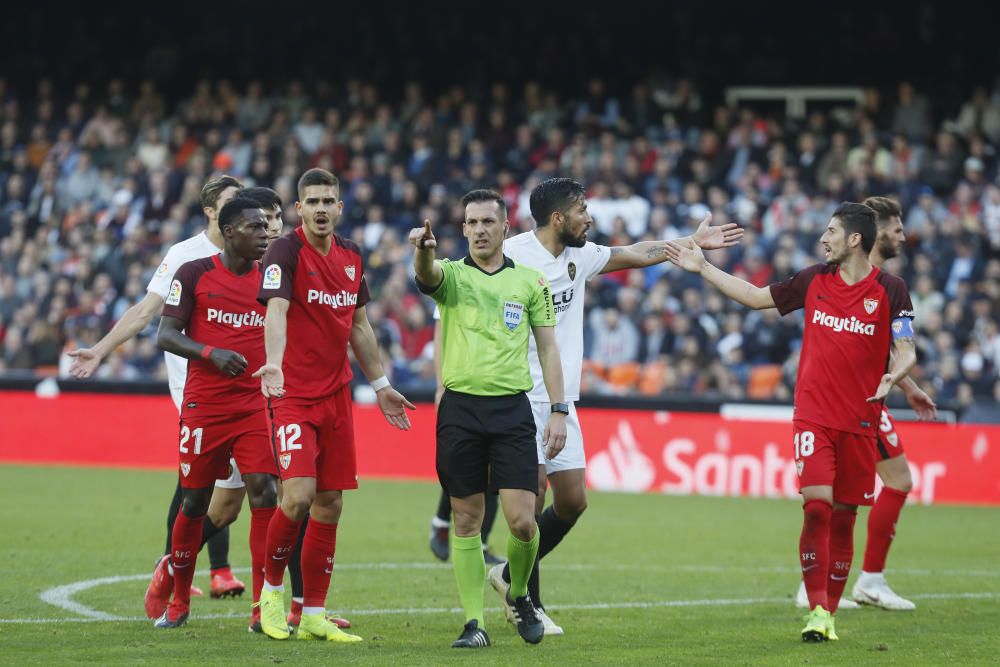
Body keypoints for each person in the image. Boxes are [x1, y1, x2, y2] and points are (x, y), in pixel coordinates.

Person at [486, 177, 744, 634]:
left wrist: (690, 242)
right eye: (583, 209)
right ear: (558, 217)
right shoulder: (513, 256)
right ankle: (528, 603)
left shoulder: (580, 257)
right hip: (518, 395)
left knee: (573, 502)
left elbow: (637, 252)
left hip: (562, 399)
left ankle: (507, 575)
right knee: (535, 495)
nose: (591, 217)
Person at [665, 202, 917, 642]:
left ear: (854, 239)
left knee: (843, 518)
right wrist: (703, 268)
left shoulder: (892, 290)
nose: (823, 238)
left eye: (831, 231)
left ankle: (828, 614)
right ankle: (817, 607)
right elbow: (755, 297)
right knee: (816, 506)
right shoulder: (813, 279)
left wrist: (899, 374)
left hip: (861, 422)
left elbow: (907, 346)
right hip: (813, 417)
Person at [67, 175, 249, 613]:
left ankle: (187, 569)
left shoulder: (256, 251)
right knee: (207, 490)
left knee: (218, 494)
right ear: (210, 211)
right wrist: (100, 349)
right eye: (231, 202)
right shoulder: (184, 256)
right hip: (199, 391)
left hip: (247, 389)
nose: (243, 210)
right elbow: (147, 312)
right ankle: (198, 575)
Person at [252, 168, 415, 642]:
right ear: (298, 209)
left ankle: (314, 614)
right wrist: (275, 364)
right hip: (292, 395)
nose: (322, 208)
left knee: (330, 503)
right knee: (297, 497)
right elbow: (277, 309)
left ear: (341, 207)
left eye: (330, 201)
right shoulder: (285, 250)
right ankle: (270, 596)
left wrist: (381, 384)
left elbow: (359, 326)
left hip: (336, 395)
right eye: (313, 202)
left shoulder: (351, 256)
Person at [410, 188, 567, 649]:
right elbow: (428, 275)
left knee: (523, 522)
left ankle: (518, 593)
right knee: (467, 520)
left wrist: (558, 409)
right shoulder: (453, 276)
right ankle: (474, 622)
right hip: (461, 409)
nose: (479, 229)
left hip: (512, 410)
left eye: (487, 222)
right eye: (471, 222)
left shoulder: (530, 282)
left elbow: (548, 349)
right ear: (463, 229)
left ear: (504, 227)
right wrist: (423, 253)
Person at [152, 197, 278, 629]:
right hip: (205, 405)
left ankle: (264, 607)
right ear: (229, 232)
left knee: (265, 494)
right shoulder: (193, 274)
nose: (264, 234)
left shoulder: (273, 279)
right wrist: (210, 353)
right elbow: (166, 335)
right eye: (254, 227)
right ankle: (180, 599)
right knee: (196, 499)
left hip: (254, 405)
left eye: (266, 227)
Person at [428, 315, 503, 566]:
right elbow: (441, 333)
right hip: (461, 386)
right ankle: (441, 521)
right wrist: (440, 385)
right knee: (463, 464)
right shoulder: (456, 276)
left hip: (497, 384)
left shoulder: (513, 279)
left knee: (495, 467)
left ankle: (480, 542)